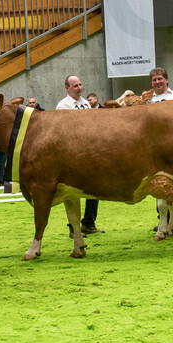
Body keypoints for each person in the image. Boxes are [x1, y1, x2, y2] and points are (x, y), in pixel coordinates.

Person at [55, 75, 103, 234]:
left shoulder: (85, 103)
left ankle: (89, 223)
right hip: (72, 154)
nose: (79, 88)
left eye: (80, 85)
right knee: (72, 193)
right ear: (67, 88)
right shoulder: (63, 106)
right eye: (75, 86)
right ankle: (73, 228)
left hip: (90, 152)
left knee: (94, 189)